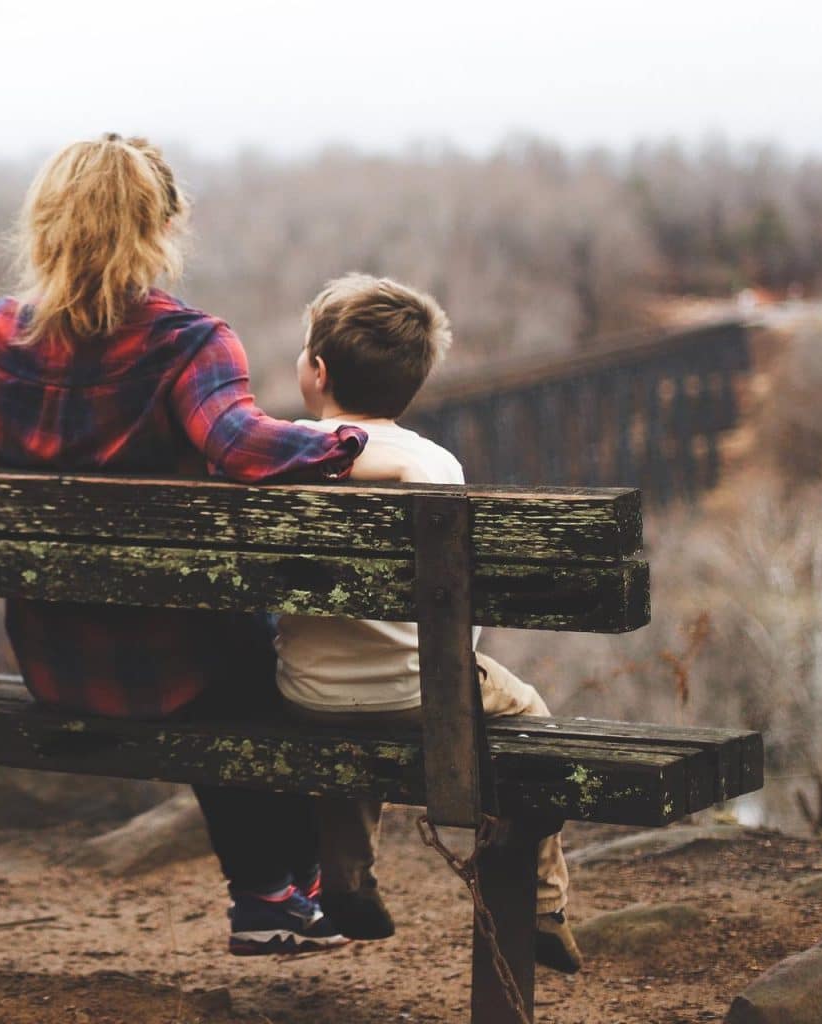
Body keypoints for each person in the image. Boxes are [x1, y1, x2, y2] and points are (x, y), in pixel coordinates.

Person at [0, 134, 369, 955]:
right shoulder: (189, 343)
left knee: (233, 649)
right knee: (264, 655)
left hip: (57, 665)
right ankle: (279, 890)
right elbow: (241, 446)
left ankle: (281, 894)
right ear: (163, 227)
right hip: (180, 670)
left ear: (44, 225)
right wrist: (346, 441)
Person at [275, 272, 583, 973]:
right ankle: (541, 902)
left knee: (348, 722)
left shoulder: (281, 454)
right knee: (529, 715)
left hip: (308, 692)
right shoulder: (435, 465)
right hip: (425, 690)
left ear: (317, 372)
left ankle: (347, 879)